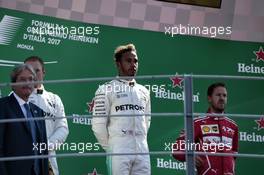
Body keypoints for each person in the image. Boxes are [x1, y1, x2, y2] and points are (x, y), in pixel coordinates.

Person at [91, 44, 151, 175]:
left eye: (135, 61)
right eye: (128, 61)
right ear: (118, 64)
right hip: (119, 149)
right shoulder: (106, 89)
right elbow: (98, 125)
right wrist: (112, 148)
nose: (133, 64)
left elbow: (147, 121)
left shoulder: (144, 91)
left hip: (142, 149)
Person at [173, 82, 239, 175]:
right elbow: (177, 149)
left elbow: (234, 155)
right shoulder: (197, 123)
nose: (222, 98)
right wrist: (189, 155)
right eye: (218, 95)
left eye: (224, 95)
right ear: (209, 98)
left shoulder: (233, 126)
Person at [0, 64, 48, 175]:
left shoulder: (38, 111)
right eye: (22, 79)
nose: (27, 83)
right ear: (13, 84)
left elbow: (43, 149)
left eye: (31, 79)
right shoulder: (2, 107)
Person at [24, 56, 69, 175]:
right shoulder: (15, 96)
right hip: (23, 158)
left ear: (43, 72)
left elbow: (63, 128)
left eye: (37, 70)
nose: (33, 74)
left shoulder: (55, 99)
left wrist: (45, 146)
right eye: (29, 70)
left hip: (48, 158)